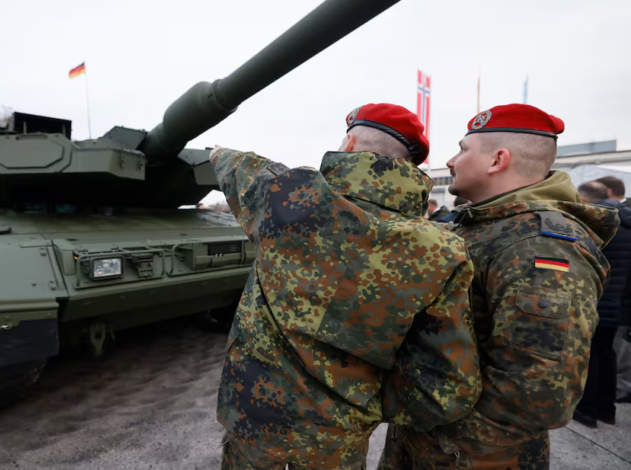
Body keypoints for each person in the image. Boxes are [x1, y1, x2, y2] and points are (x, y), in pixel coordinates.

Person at [210, 103, 481, 469]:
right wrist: (366, 407)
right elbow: (448, 385)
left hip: (253, 424)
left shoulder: (287, 195)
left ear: (349, 143)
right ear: (410, 165)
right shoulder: (442, 248)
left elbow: (232, 162)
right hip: (340, 437)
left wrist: (214, 151)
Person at [379, 104, 619, 469]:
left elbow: (538, 392)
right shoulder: (480, 225)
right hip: (425, 441)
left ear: (497, 160)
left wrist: (449, 445)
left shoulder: (541, 245)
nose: (450, 161)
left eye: (463, 149)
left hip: (467, 457)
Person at [572, 181, 631, 426]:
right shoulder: (626, 220)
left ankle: (586, 410)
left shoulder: (595, 222)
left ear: (584, 199)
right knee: (606, 354)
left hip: (597, 299)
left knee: (590, 356)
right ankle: (607, 409)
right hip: (618, 302)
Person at [594, 176, 631, 403]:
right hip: (621, 299)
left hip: (610, 297)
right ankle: (613, 393)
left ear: (607, 192)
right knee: (614, 351)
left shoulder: (607, 222)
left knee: (609, 350)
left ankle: (615, 392)